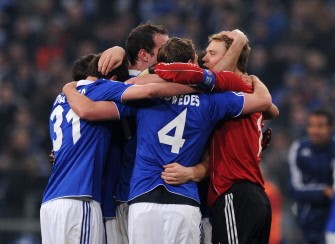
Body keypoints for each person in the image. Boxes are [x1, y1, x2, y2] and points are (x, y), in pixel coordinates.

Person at [63, 37, 274, 244]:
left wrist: (69, 88)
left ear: (161, 65)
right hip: (184, 201)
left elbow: (91, 108)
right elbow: (264, 103)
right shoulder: (211, 101)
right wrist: (255, 80)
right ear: (193, 63)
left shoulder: (142, 98)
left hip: (142, 199)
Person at [40, 51, 195, 243]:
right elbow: (149, 91)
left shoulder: (61, 99)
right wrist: (196, 87)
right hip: (80, 197)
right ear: (113, 79)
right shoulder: (102, 88)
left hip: (51, 201)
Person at [288, 109, 335, 244]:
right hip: (309, 218)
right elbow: (294, 188)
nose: (315, 130)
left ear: (330, 127)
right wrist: (323, 191)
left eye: (320, 126)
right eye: (311, 126)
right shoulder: (299, 148)